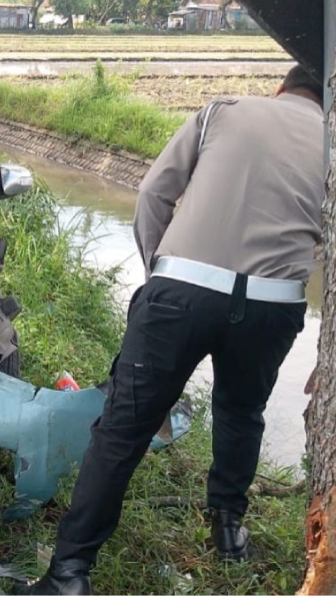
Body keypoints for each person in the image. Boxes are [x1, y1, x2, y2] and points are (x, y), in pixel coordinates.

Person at [16, 64, 324, 595]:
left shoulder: (223, 112)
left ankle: (69, 573)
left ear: (280, 88)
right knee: (241, 411)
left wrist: (160, 274)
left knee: (123, 429)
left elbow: (154, 195)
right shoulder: (332, 145)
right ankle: (228, 531)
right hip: (274, 304)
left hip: (182, 290)